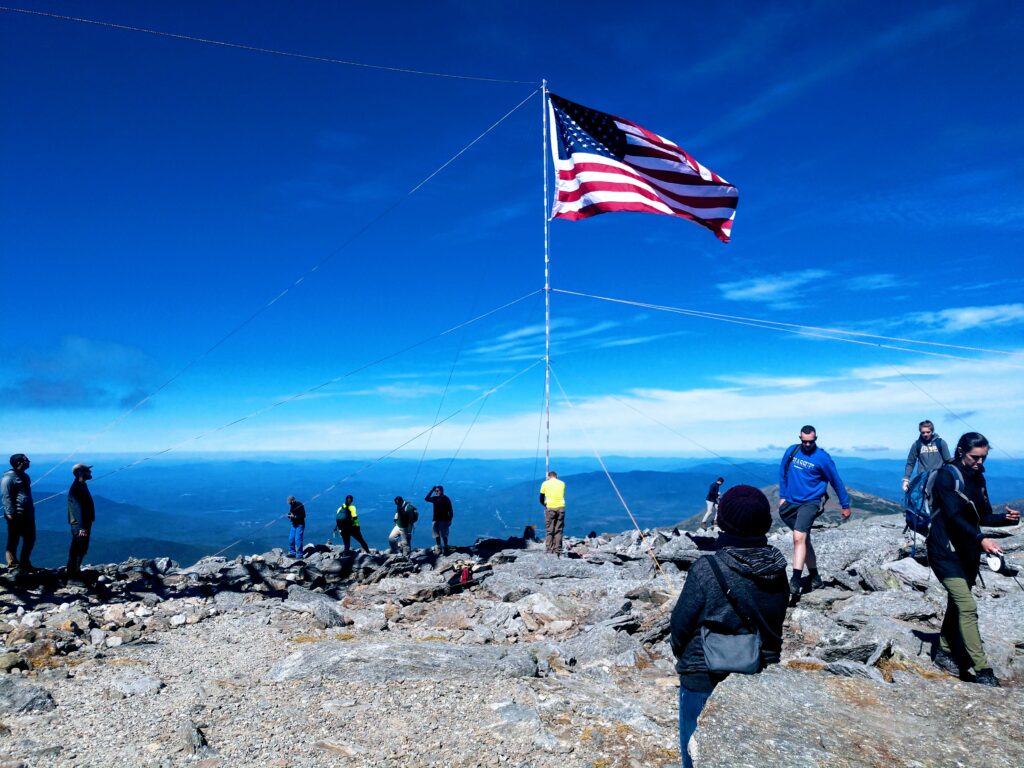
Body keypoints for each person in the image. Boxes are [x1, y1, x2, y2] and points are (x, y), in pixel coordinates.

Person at [670, 486, 789, 768]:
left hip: (703, 674)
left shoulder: (706, 568)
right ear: (767, 524)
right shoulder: (778, 568)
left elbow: (679, 627)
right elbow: (776, 619)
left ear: (721, 523)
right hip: (759, 673)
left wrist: (683, 657)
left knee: (695, 752)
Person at [928, 432, 1020, 687]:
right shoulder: (947, 476)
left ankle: (944, 651)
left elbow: (984, 516)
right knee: (967, 606)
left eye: (983, 458)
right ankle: (982, 669)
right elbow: (954, 516)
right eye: (974, 457)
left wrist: (1008, 519)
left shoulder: (978, 478)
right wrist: (981, 540)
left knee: (958, 603)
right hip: (944, 551)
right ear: (960, 452)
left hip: (967, 552)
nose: (980, 463)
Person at [778, 425, 851, 600]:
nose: (808, 445)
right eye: (805, 441)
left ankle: (795, 581)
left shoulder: (823, 458)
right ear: (800, 438)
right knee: (804, 540)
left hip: (810, 503)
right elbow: (783, 472)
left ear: (816, 439)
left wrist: (845, 504)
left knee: (798, 538)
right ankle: (815, 578)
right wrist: (782, 495)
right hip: (790, 502)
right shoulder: (792, 450)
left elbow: (836, 481)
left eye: (811, 442)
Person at [2, 454, 36, 572]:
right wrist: (11, 514)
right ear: (19, 463)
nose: (28, 462)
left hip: (27, 513)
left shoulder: (25, 477)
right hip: (16, 515)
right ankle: (12, 564)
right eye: (26, 461)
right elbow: (6, 497)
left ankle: (24, 562)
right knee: (14, 539)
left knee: (30, 538)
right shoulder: (8, 479)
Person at [902, 419, 951, 492]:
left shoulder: (941, 443)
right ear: (920, 432)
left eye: (928, 432)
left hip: (939, 478)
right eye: (923, 432)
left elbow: (948, 461)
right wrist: (906, 479)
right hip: (922, 478)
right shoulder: (916, 445)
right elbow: (910, 463)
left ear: (932, 431)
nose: (925, 434)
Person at [66, 463, 96, 580]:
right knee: (78, 548)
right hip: (80, 525)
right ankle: (73, 575)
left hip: (82, 523)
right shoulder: (77, 488)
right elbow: (78, 508)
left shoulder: (81, 485)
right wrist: (82, 527)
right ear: (80, 473)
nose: (90, 473)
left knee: (80, 548)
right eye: (87, 471)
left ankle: (75, 571)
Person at [538, 470, 566, 555]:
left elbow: (541, 497)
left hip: (550, 507)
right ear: (556, 476)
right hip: (561, 507)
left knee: (550, 530)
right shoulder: (562, 483)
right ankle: (558, 549)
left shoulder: (545, 483)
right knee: (559, 529)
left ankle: (549, 549)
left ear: (548, 476)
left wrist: (544, 504)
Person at [425, 485, 454, 555]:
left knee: (444, 534)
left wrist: (450, 519)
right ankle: (439, 546)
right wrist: (432, 490)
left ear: (442, 490)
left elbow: (450, 510)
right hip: (435, 519)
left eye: (438, 491)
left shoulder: (446, 499)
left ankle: (446, 547)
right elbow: (426, 498)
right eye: (436, 491)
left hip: (444, 519)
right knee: (436, 534)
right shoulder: (435, 498)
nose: (436, 492)